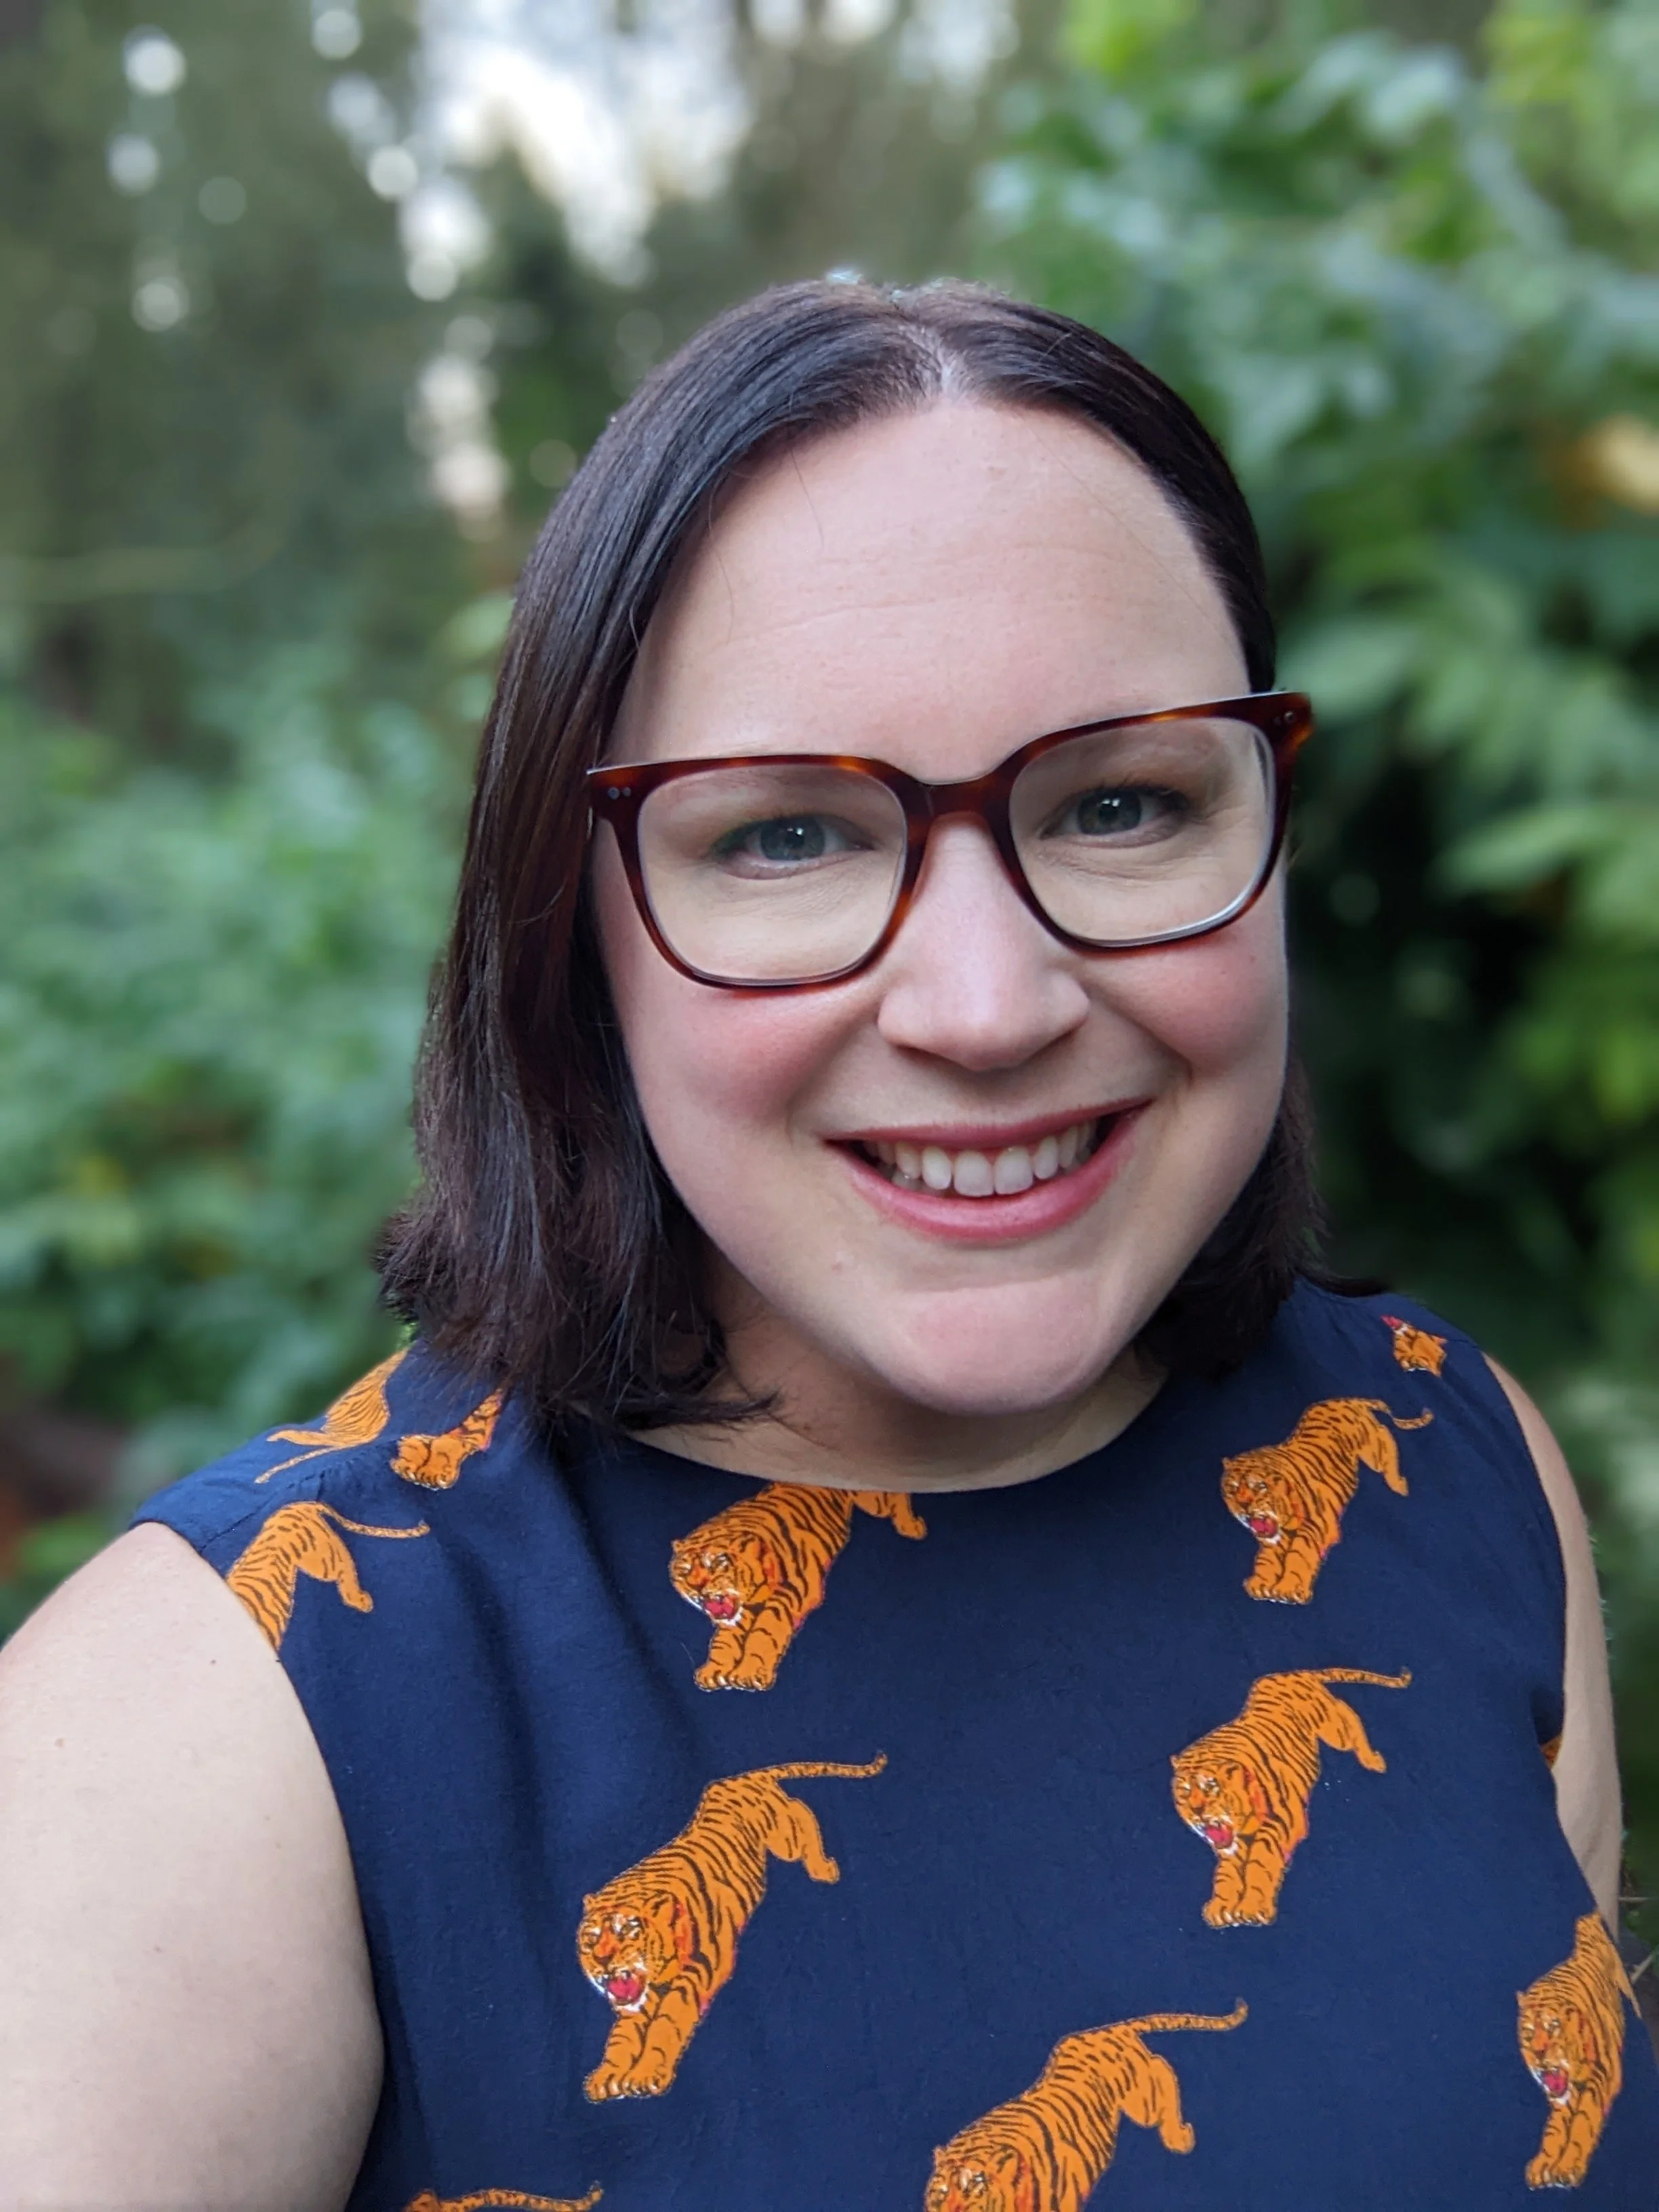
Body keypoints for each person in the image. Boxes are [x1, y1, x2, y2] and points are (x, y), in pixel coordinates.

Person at [0, 280, 1653, 2211]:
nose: (985, 1002)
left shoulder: (1453, 1470)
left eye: (1123, 802)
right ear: (576, 925)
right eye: (788, 836)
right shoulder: (211, 1724)